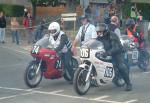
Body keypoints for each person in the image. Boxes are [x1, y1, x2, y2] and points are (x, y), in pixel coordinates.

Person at [96, 23, 132, 91]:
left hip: (117, 52)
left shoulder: (112, 35)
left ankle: (128, 84)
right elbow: (95, 43)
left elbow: (115, 48)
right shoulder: (99, 37)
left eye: (100, 32)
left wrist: (108, 53)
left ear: (105, 31)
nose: (99, 33)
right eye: (98, 32)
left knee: (120, 66)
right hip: (107, 53)